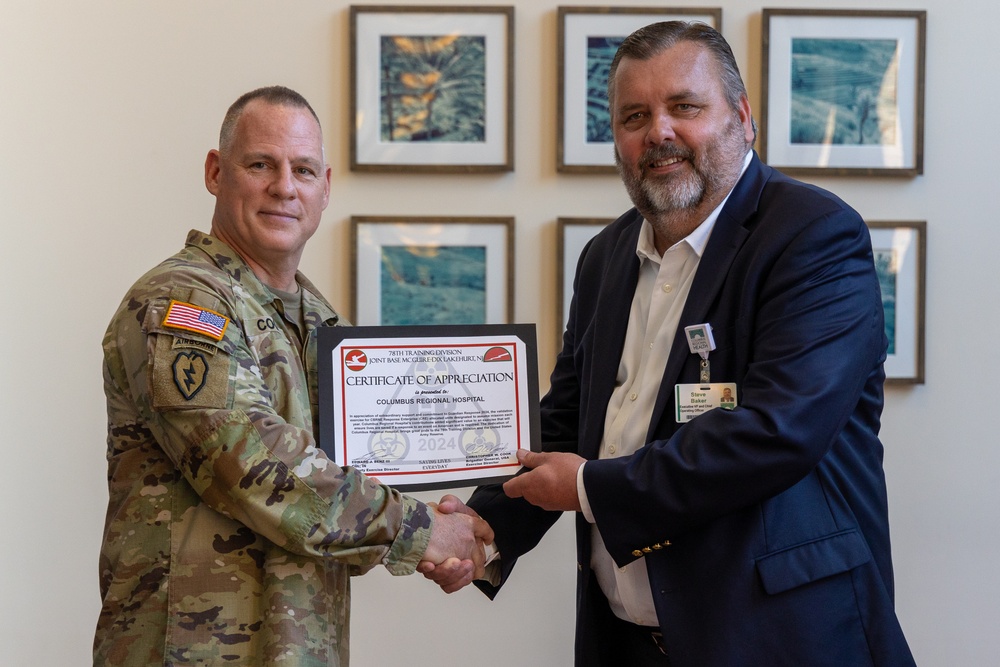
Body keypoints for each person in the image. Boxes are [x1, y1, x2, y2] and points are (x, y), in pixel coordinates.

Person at [421, 21, 915, 666]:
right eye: (634, 116)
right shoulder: (605, 256)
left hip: (781, 638)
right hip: (625, 643)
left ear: (741, 117)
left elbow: (777, 430)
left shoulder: (813, 236)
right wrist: (489, 526)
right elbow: (568, 419)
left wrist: (591, 488)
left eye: (684, 106)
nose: (659, 132)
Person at [95, 86, 491, 666]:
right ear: (215, 171)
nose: (285, 186)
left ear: (325, 188)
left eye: (302, 169)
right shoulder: (181, 301)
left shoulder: (322, 322)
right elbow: (249, 463)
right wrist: (419, 530)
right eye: (261, 164)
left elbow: (347, 474)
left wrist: (459, 534)